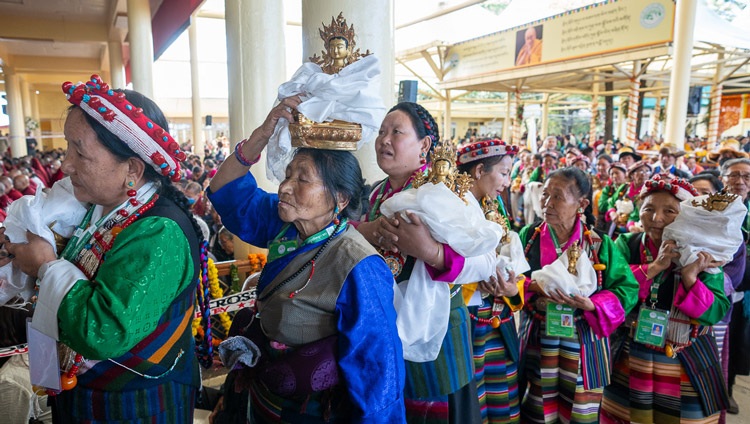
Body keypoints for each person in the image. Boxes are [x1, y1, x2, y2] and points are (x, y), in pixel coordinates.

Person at [5, 75, 205, 422]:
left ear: (132, 168)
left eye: (79, 152)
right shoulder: (101, 207)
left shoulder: (158, 232)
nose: (65, 165)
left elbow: (104, 330)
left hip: (135, 406)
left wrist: (46, 267)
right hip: (87, 395)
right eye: (67, 148)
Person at [207, 96, 406, 423]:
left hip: (310, 409)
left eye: (302, 179)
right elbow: (226, 189)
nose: (284, 187)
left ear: (339, 198)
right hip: (262, 397)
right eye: (287, 175)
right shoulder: (283, 224)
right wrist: (262, 135)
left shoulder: (359, 265)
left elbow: (376, 366)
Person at [356, 102, 482, 423]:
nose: (384, 140)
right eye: (382, 132)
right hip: (385, 326)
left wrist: (431, 252)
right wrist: (367, 231)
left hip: (435, 331)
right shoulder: (376, 194)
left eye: (396, 132)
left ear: (424, 145)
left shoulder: (447, 191)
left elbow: (486, 260)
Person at [601, 175, 731, 423]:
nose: (656, 218)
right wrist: (655, 266)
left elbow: (715, 312)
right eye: (648, 209)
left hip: (685, 358)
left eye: (669, 211)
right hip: (630, 353)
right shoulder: (627, 244)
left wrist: (691, 277)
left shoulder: (704, 253)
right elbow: (611, 292)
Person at [518, 167, 639, 423]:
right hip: (539, 335)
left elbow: (627, 289)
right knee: (538, 407)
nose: (547, 203)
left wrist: (592, 304)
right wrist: (535, 291)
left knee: (581, 410)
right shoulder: (528, 237)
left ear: (582, 204)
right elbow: (513, 278)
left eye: (558, 196)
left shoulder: (599, 244)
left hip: (584, 339)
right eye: (545, 194)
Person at [456, 139, 524, 423]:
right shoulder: (453, 209)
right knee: (469, 402)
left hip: (497, 321)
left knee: (501, 402)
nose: (507, 182)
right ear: (479, 169)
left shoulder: (494, 208)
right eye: (504, 173)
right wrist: (477, 277)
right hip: (464, 320)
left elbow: (517, 273)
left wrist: (511, 289)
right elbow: (444, 266)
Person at [722, 158, 750, 415]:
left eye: (746, 177)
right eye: (734, 176)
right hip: (716, 287)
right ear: (724, 179)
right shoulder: (712, 208)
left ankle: (727, 391)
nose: (740, 182)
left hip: (744, 293)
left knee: (735, 344)